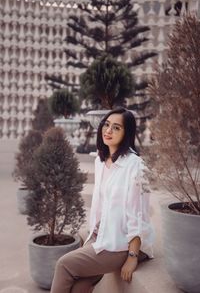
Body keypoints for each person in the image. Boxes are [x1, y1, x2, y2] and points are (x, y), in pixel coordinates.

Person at [50, 107, 154, 293]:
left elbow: (138, 214)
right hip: (100, 236)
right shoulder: (101, 161)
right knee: (79, 286)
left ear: (127, 133)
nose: (108, 131)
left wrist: (132, 256)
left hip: (120, 243)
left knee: (64, 265)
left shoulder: (136, 167)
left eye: (116, 128)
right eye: (106, 125)